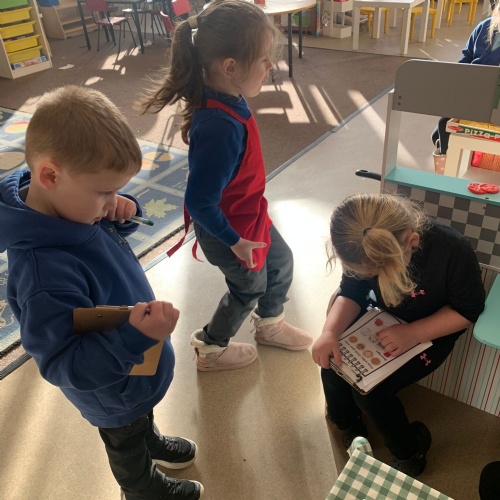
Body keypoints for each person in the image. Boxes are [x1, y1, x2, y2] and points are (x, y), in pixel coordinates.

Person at [0, 86, 203, 500]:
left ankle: (149, 439)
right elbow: (64, 365)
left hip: (132, 370)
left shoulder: (69, 206)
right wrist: (135, 338)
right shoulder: (43, 276)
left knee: (138, 421)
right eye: (103, 192)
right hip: (111, 386)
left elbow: (102, 240)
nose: (110, 200)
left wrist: (122, 212)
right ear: (49, 176)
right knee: (124, 440)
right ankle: (143, 489)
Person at [139, 0, 312, 372]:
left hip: (248, 215)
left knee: (280, 261)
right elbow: (200, 202)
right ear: (230, 67)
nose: (271, 66)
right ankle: (211, 347)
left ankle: (270, 323)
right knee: (248, 288)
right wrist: (235, 241)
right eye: (264, 59)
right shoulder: (220, 126)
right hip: (228, 231)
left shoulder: (228, 97)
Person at [312, 193, 485, 477]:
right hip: (381, 318)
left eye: (378, 272)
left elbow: (468, 311)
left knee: (372, 394)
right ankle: (347, 424)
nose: (372, 277)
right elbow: (351, 291)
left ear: (412, 242)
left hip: (431, 329)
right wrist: (329, 332)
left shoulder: (452, 250)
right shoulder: (360, 242)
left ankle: (409, 454)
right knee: (331, 365)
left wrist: (412, 333)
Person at [432, 4, 500, 161]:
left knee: (444, 128)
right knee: (439, 131)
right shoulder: (485, 26)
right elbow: (465, 59)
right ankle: (446, 159)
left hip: (494, 101)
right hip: (471, 92)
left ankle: (449, 160)